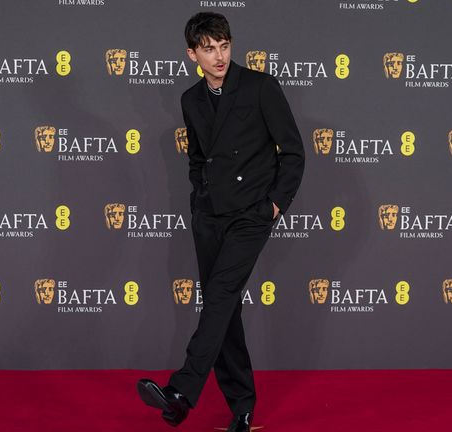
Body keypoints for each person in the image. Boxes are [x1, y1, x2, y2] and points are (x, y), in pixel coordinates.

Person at [137, 11, 304, 432]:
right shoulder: (190, 99)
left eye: (224, 45)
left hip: (251, 214)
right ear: (192, 53)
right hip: (209, 217)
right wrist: (199, 199)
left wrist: (274, 205)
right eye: (208, 48)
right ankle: (242, 407)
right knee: (224, 309)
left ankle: (182, 392)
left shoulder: (261, 86)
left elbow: (295, 152)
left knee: (219, 296)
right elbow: (197, 157)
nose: (219, 56)